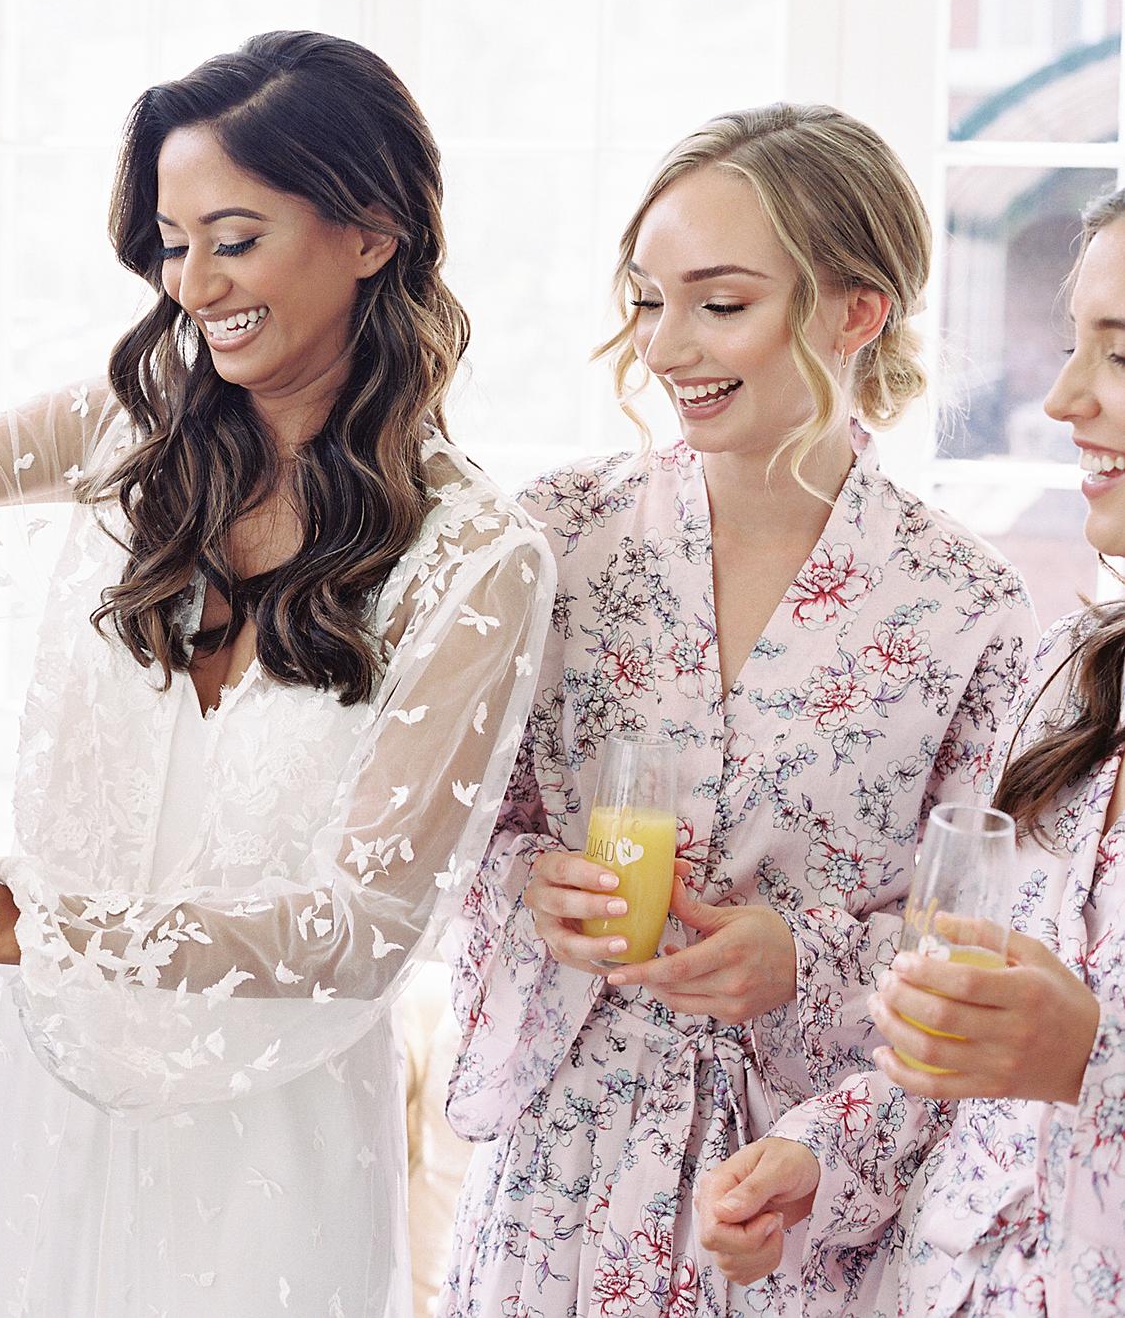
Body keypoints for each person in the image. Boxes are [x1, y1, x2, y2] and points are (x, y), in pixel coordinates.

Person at [0, 29, 554, 1317]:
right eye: (170, 241)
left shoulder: (479, 556)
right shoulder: (123, 433)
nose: (193, 283)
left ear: (371, 232)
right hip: (55, 1102)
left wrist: (12, 923)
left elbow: (361, 932)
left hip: (278, 1151)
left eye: (236, 236)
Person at [438, 104, 1036, 1317]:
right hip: (564, 1177)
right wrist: (528, 886)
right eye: (647, 301)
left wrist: (802, 964)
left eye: (719, 303)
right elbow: (451, 828)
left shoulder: (971, 611)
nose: (663, 350)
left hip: (789, 1203)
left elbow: (982, 956)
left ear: (853, 311)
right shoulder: (555, 539)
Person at [695, 185, 1125, 1317]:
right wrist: (816, 1162)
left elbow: (1062, 1058)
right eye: (1074, 342)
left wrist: (1093, 1060)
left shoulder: (973, 611)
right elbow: (949, 1045)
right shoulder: (1071, 680)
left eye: (1119, 354)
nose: (1063, 396)